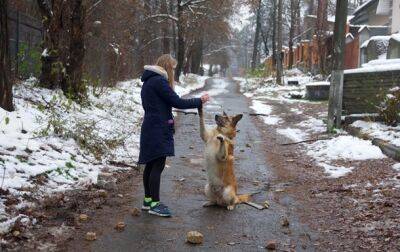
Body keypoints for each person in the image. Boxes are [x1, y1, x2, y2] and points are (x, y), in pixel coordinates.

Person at [138, 54, 210, 217]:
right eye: (173, 68)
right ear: (168, 67)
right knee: (157, 165)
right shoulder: (159, 82)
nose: (173, 72)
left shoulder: (148, 81)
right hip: (158, 128)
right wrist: (200, 100)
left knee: (150, 165)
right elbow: (178, 102)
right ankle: (155, 205)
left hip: (150, 126)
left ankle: (148, 200)